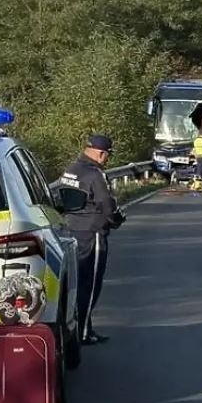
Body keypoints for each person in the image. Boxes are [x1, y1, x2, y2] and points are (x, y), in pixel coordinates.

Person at [58, 134, 125, 345]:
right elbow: (106, 204)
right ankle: (83, 332)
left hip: (71, 231)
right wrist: (115, 220)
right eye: (107, 155)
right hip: (92, 233)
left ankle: (77, 326)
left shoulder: (71, 169)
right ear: (101, 153)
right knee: (90, 284)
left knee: (77, 283)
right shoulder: (95, 175)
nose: (107, 159)